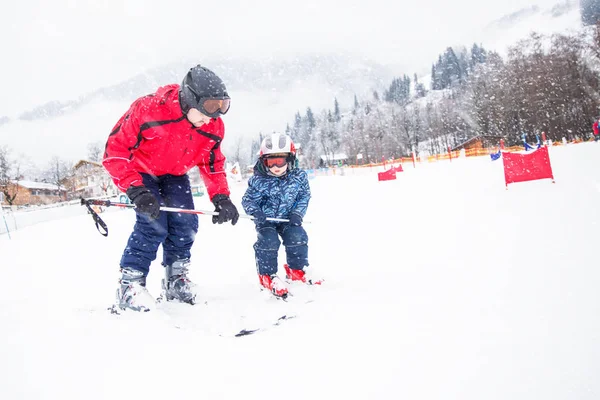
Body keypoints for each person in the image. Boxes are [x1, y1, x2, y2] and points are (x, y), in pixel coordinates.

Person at [103, 65, 239, 312]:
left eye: (221, 108)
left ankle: (176, 280)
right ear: (189, 100)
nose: (212, 119)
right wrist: (136, 190)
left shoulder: (212, 126)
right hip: (142, 172)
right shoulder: (147, 110)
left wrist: (221, 198)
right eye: (208, 109)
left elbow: (212, 164)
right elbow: (116, 151)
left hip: (175, 174)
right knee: (152, 225)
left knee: (185, 225)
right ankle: (130, 286)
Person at [241, 133, 321, 298]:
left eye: (280, 161)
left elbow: (304, 196)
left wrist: (297, 213)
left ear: (290, 159)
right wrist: (256, 212)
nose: (276, 166)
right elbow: (248, 200)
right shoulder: (258, 180)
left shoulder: (299, 177)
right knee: (269, 241)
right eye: (271, 162)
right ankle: (267, 275)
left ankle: (296, 270)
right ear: (264, 161)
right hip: (267, 219)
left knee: (297, 236)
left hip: (288, 218)